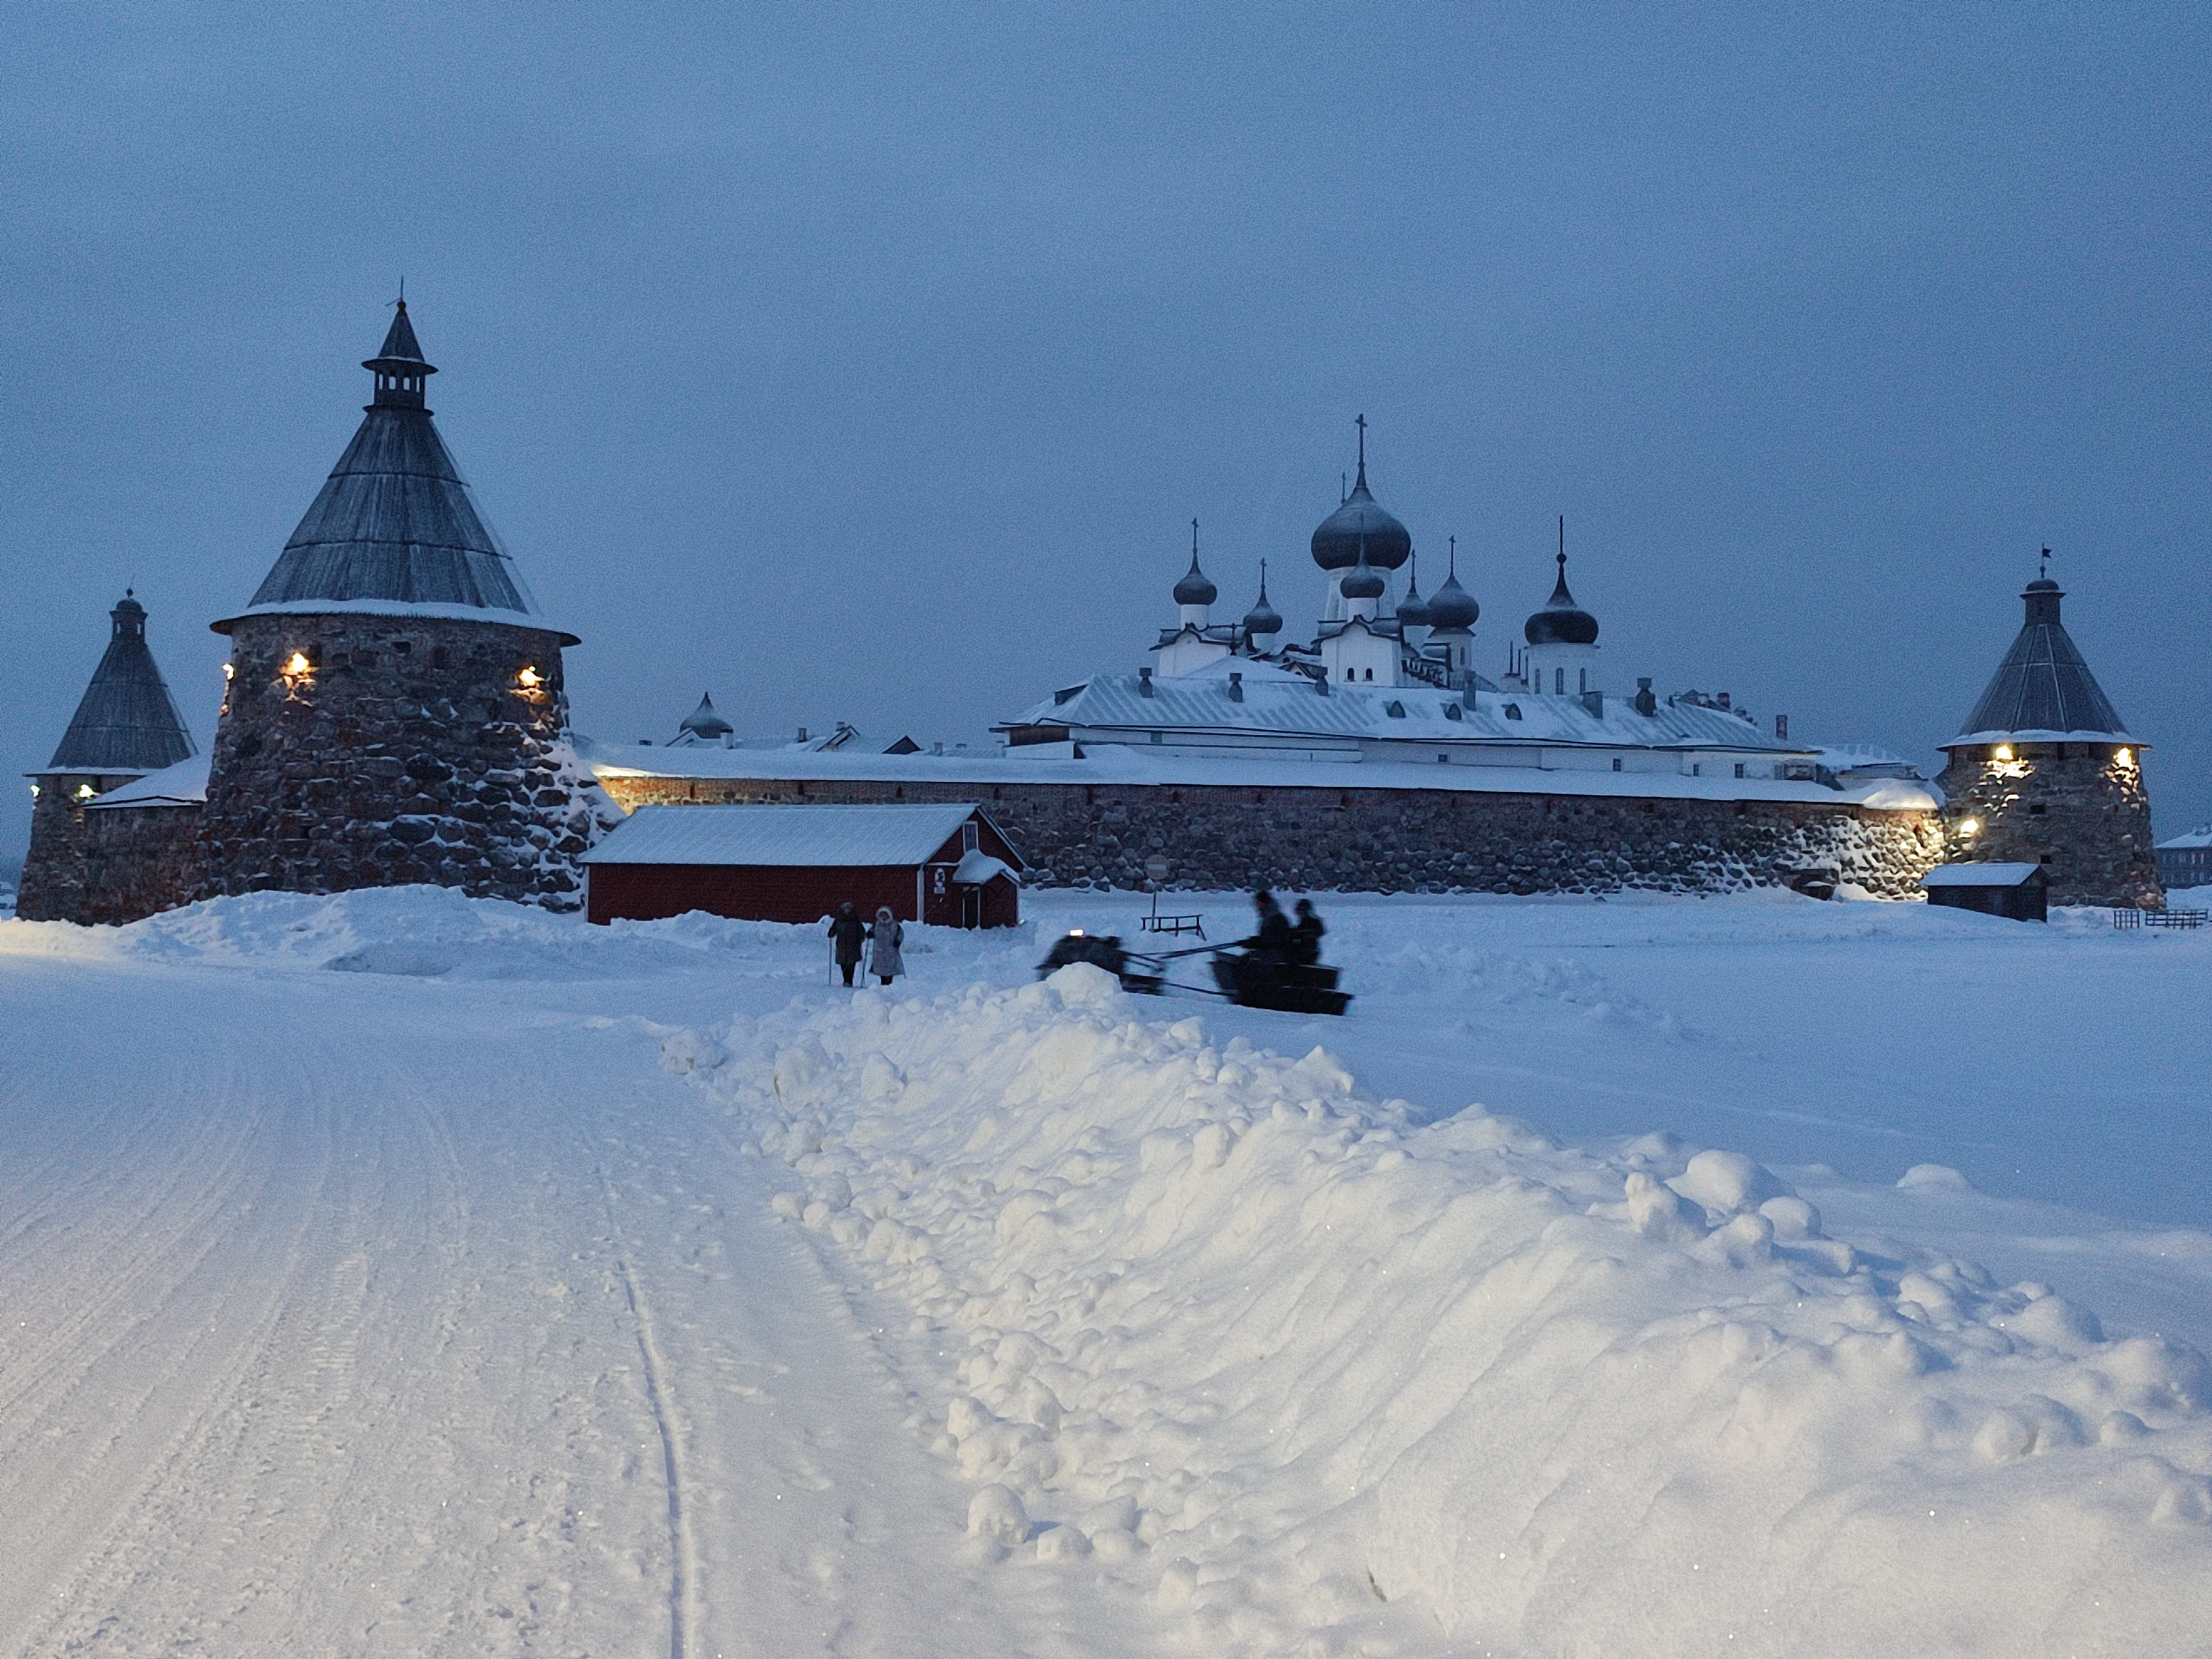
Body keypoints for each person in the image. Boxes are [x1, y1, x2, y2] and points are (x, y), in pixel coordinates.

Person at [827, 900, 867, 986]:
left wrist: (862, 936)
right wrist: (831, 933)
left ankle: (849, 981)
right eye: (846, 909)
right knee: (843, 963)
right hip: (842, 945)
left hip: (853, 945)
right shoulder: (839, 920)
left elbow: (861, 930)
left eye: (849, 909)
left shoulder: (856, 920)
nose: (847, 910)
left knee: (851, 964)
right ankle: (846, 979)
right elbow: (834, 929)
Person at [1247, 890, 1293, 963]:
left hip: (1277, 955)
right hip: (1270, 952)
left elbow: (1277, 941)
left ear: (1264, 903)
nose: (1257, 906)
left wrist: (1257, 942)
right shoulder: (1268, 918)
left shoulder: (1276, 918)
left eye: (1258, 903)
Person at [867, 905, 905, 986]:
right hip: (879, 952)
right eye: (882, 915)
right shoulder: (876, 925)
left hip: (890, 952)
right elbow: (870, 933)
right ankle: (883, 984)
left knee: (890, 970)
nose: (883, 917)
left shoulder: (895, 926)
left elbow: (901, 934)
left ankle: (889, 984)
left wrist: (898, 941)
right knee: (881, 970)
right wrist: (870, 934)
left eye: (885, 915)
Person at [1288, 898, 1324, 967]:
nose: (1300, 915)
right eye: (1298, 913)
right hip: (1304, 952)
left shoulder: (1313, 923)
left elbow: (1319, 932)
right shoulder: (1302, 924)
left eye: (1302, 912)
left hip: (1308, 953)